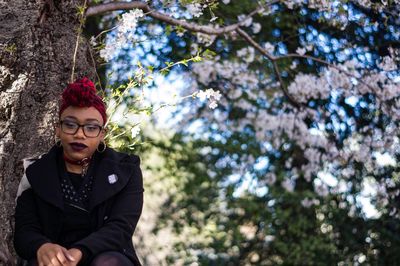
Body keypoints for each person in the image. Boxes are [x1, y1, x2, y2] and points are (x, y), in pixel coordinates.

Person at [14, 77, 144, 266]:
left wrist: (80, 251)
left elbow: (121, 227)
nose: (80, 134)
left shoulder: (127, 170)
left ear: (102, 135)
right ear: (57, 129)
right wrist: (42, 247)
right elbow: (24, 231)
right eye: (70, 124)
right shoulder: (35, 172)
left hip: (106, 256)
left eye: (91, 127)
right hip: (54, 259)